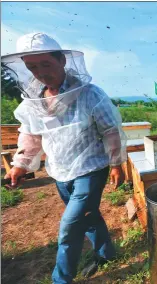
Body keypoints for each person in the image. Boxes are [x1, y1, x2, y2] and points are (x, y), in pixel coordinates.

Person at [1, 32, 127, 283]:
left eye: (46, 64)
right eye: (32, 67)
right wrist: (19, 165)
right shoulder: (34, 102)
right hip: (59, 170)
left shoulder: (90, 94)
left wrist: (116, 163)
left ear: (62, 61)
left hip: (91, 168)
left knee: (69, 227)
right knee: (88, 215)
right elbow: (30, 135)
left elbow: (110, 130)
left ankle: (61, 279)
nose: (40, 72)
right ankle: (106, 254)